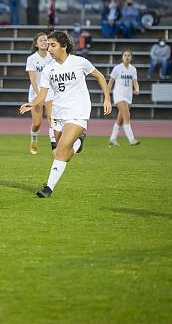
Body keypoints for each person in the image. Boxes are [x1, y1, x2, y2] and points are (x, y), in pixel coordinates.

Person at [19, 30, 111, 198]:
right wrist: (31, 104)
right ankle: (78, 143)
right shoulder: (48, 69)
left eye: (53, 45)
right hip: (58, 113)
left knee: (60, 150)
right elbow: (42, 94)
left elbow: (99, 76)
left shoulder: (79, 62)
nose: (50, 49)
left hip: (78, 112)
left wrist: (107, 98)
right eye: (48, 46)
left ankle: (48, 188)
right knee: (62, 155)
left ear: (64, 46)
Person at [25, 32, 56, 154]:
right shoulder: (31, 59)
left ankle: (54, 145)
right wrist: (39, 95)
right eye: (41, 40)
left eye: (45, 40)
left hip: (50, 91)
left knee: (51, 118)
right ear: (36, 44)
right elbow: (33, 80)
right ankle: (34, 139)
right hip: (36, 91)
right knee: (37, 124)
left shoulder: (52, 57)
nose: (44, 42)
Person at [107, 50, 140, 147]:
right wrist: (107, 94)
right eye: (125, 55)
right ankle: (132, 139)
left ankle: (113, 139)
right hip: (119, 95)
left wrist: (137, 89)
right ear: (122, 57)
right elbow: (111, 82)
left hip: (128, 96)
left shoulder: (133, 69)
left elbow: (135, 82)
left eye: (129, 55)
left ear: (131, 57)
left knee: (120, 119)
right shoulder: (117, 68)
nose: (127, 57)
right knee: (127, 117)